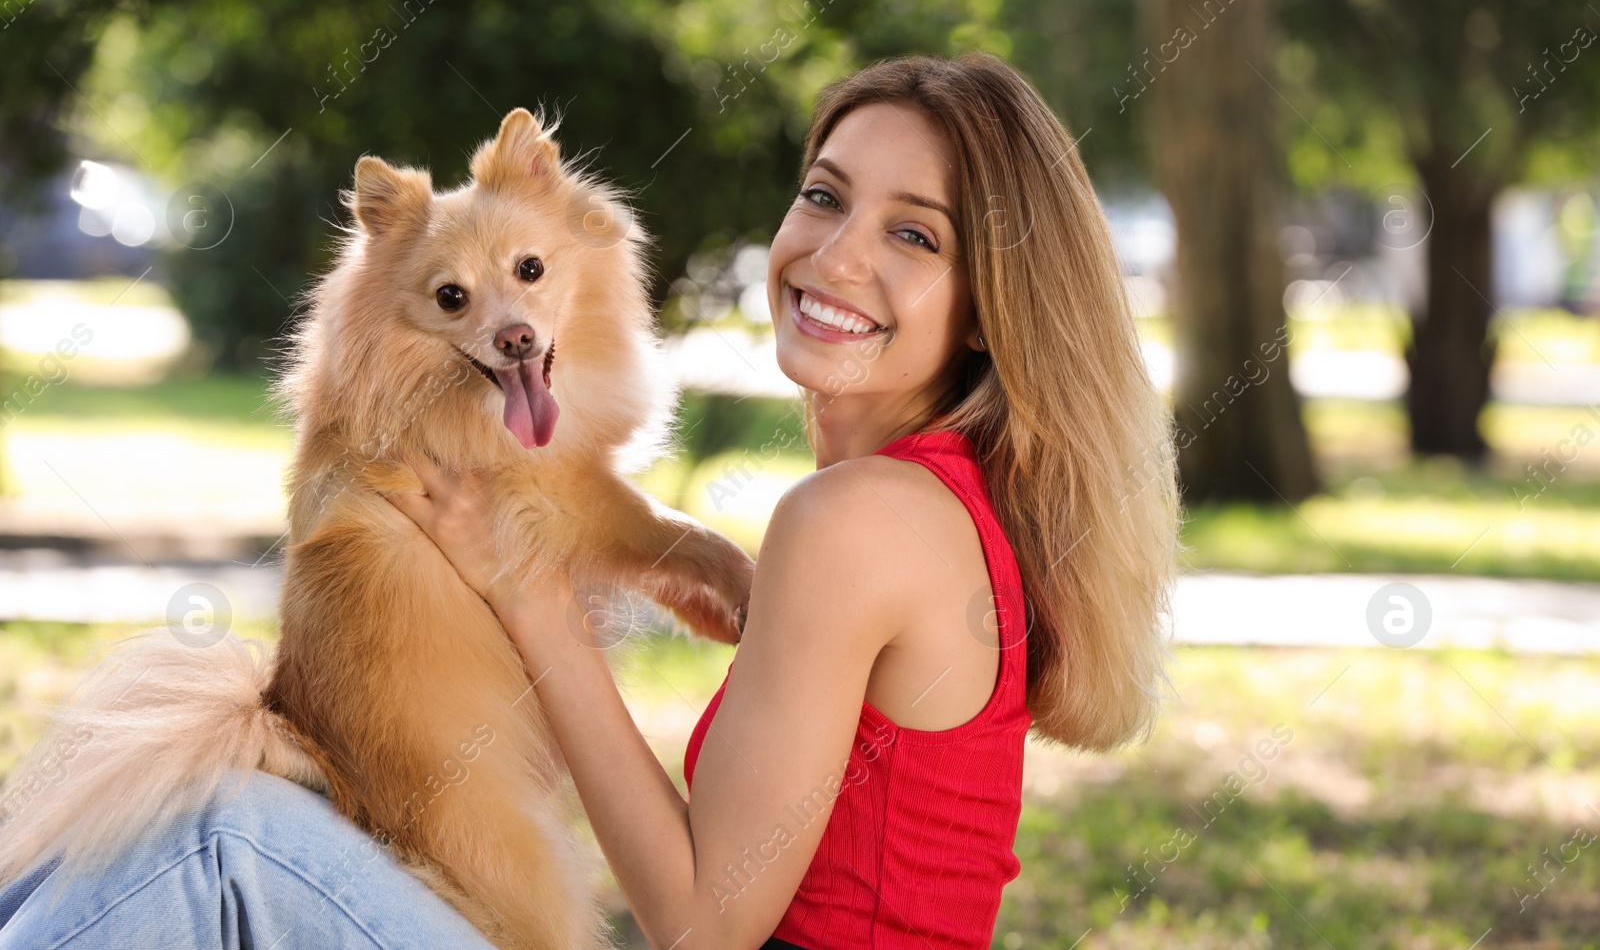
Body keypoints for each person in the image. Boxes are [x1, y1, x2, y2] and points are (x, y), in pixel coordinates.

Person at [0, 52, 1179, 950]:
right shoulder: (927, 506)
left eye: (914, 234)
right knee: (152, 823)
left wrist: (531, 595)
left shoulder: (859, 520)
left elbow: (704, 921)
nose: (835, 255)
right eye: (824, 197)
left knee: (215, 840)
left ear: (988, 301)